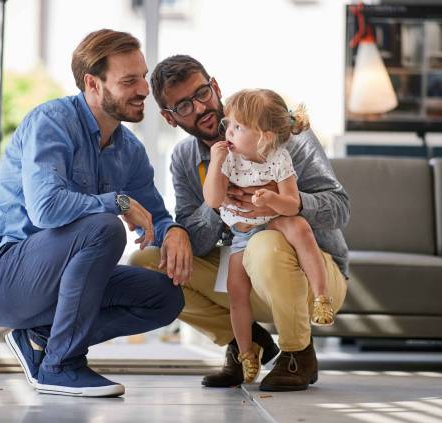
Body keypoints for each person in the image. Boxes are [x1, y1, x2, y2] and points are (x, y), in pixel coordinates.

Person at [0, 30, 192, 398]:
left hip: (53, 282)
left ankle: (42, 339)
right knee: (105, 228)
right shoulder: (51, 123)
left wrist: (174, 230)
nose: (144, 90)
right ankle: (60, 366)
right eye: (128, 81)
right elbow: (46, 208)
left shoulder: (128, 151)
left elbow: (155, 215)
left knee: (165, 298)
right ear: (93, 84)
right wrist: (116, 203)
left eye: (143, 77)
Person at [130, 55, 349, 391]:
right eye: (184, 106)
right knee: (147, 264)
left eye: (202, 93)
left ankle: (298, 353)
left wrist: (284, 201)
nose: (201, 108)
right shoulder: (186, 159)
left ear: (215, 87)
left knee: (266, 244)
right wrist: (217, 202)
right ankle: (246, 343)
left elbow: (340, 209)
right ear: (169, 118)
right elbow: (197, 243)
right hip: (243, 263)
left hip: (313, 267)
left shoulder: (280, 133)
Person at [203, 88, 335, 384]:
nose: (229, 132)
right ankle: (247, 353)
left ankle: (322, 297)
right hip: (240, 235)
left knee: (300, 227)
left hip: (273, 224)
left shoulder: (279, 159)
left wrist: (269, 200)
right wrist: (214, 164)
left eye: (238, 126)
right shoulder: (228, 159)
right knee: (236, 293)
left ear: (265, 137)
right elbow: (213, 199)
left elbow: (291, 203)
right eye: (229, 125)